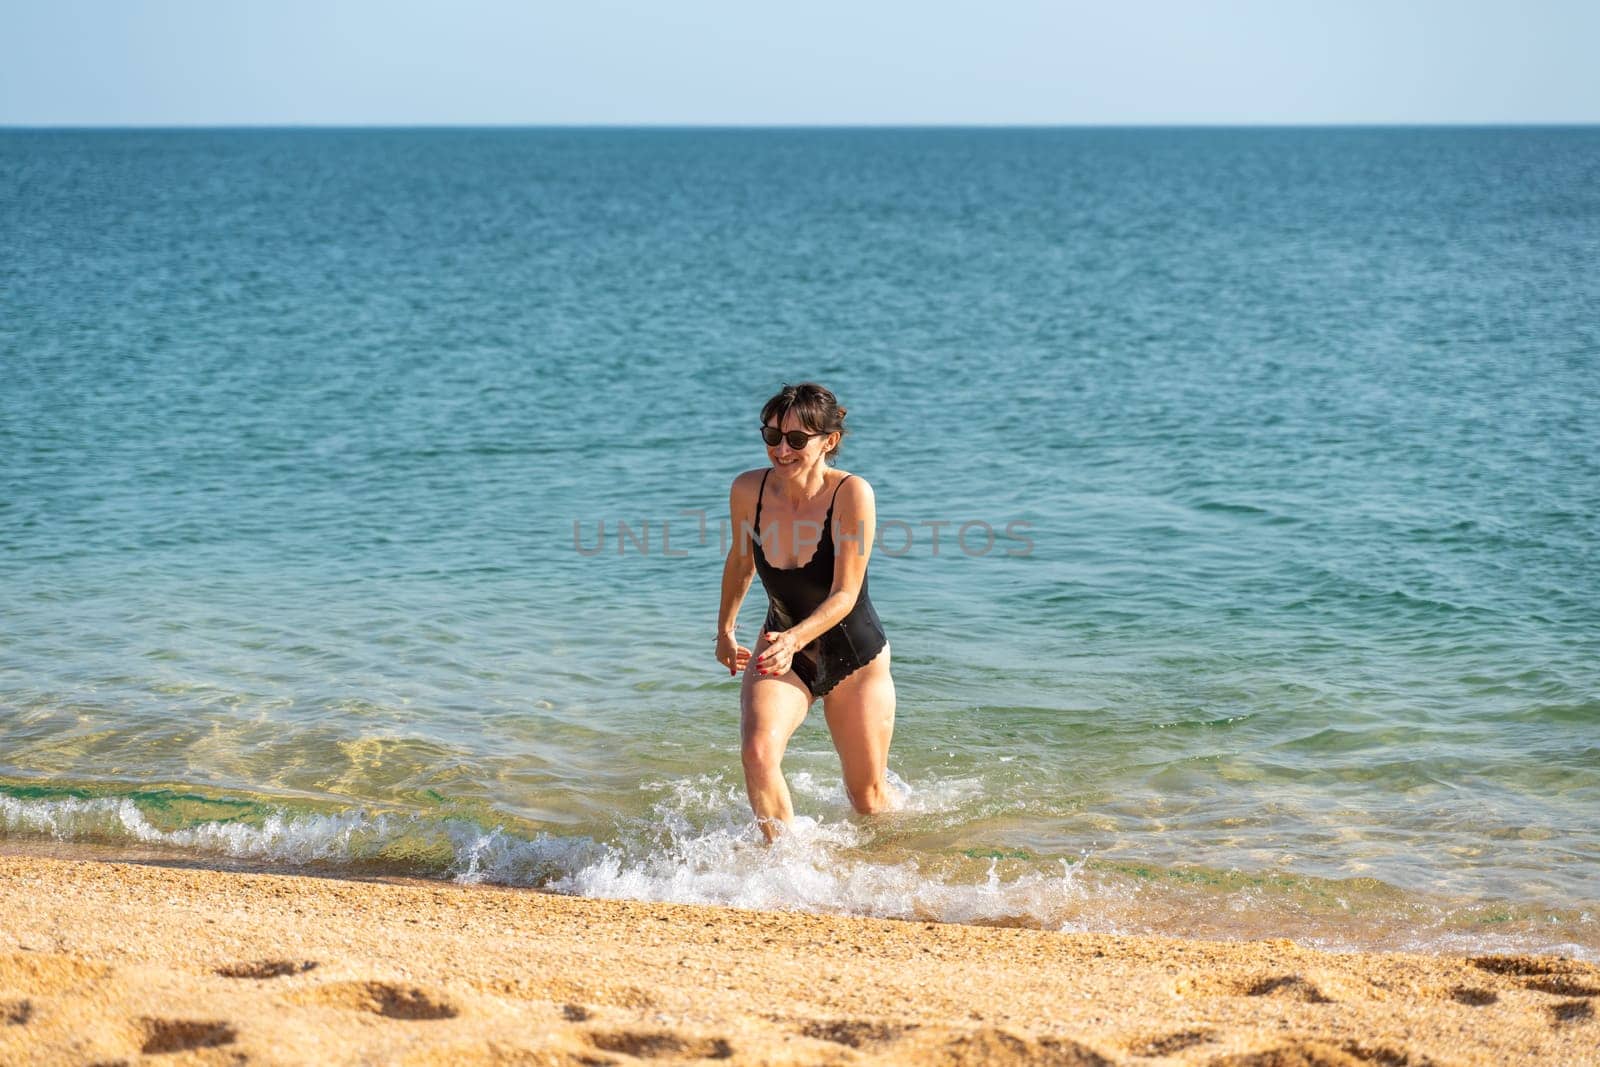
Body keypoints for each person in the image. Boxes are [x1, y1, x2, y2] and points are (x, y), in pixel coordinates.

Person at [715, 382, 898, 842]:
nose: (782, 450)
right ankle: (785, 866)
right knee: (758, 752)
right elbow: (741, 562)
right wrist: (725, 629)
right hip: (782, 643)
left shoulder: (852, 494)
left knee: (869, 801)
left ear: (828, 442)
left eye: (797, 440)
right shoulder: (747, 490)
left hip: (853, 656)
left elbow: (845, 593)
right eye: (772, 436)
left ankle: (896, 867)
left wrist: (795, 639)